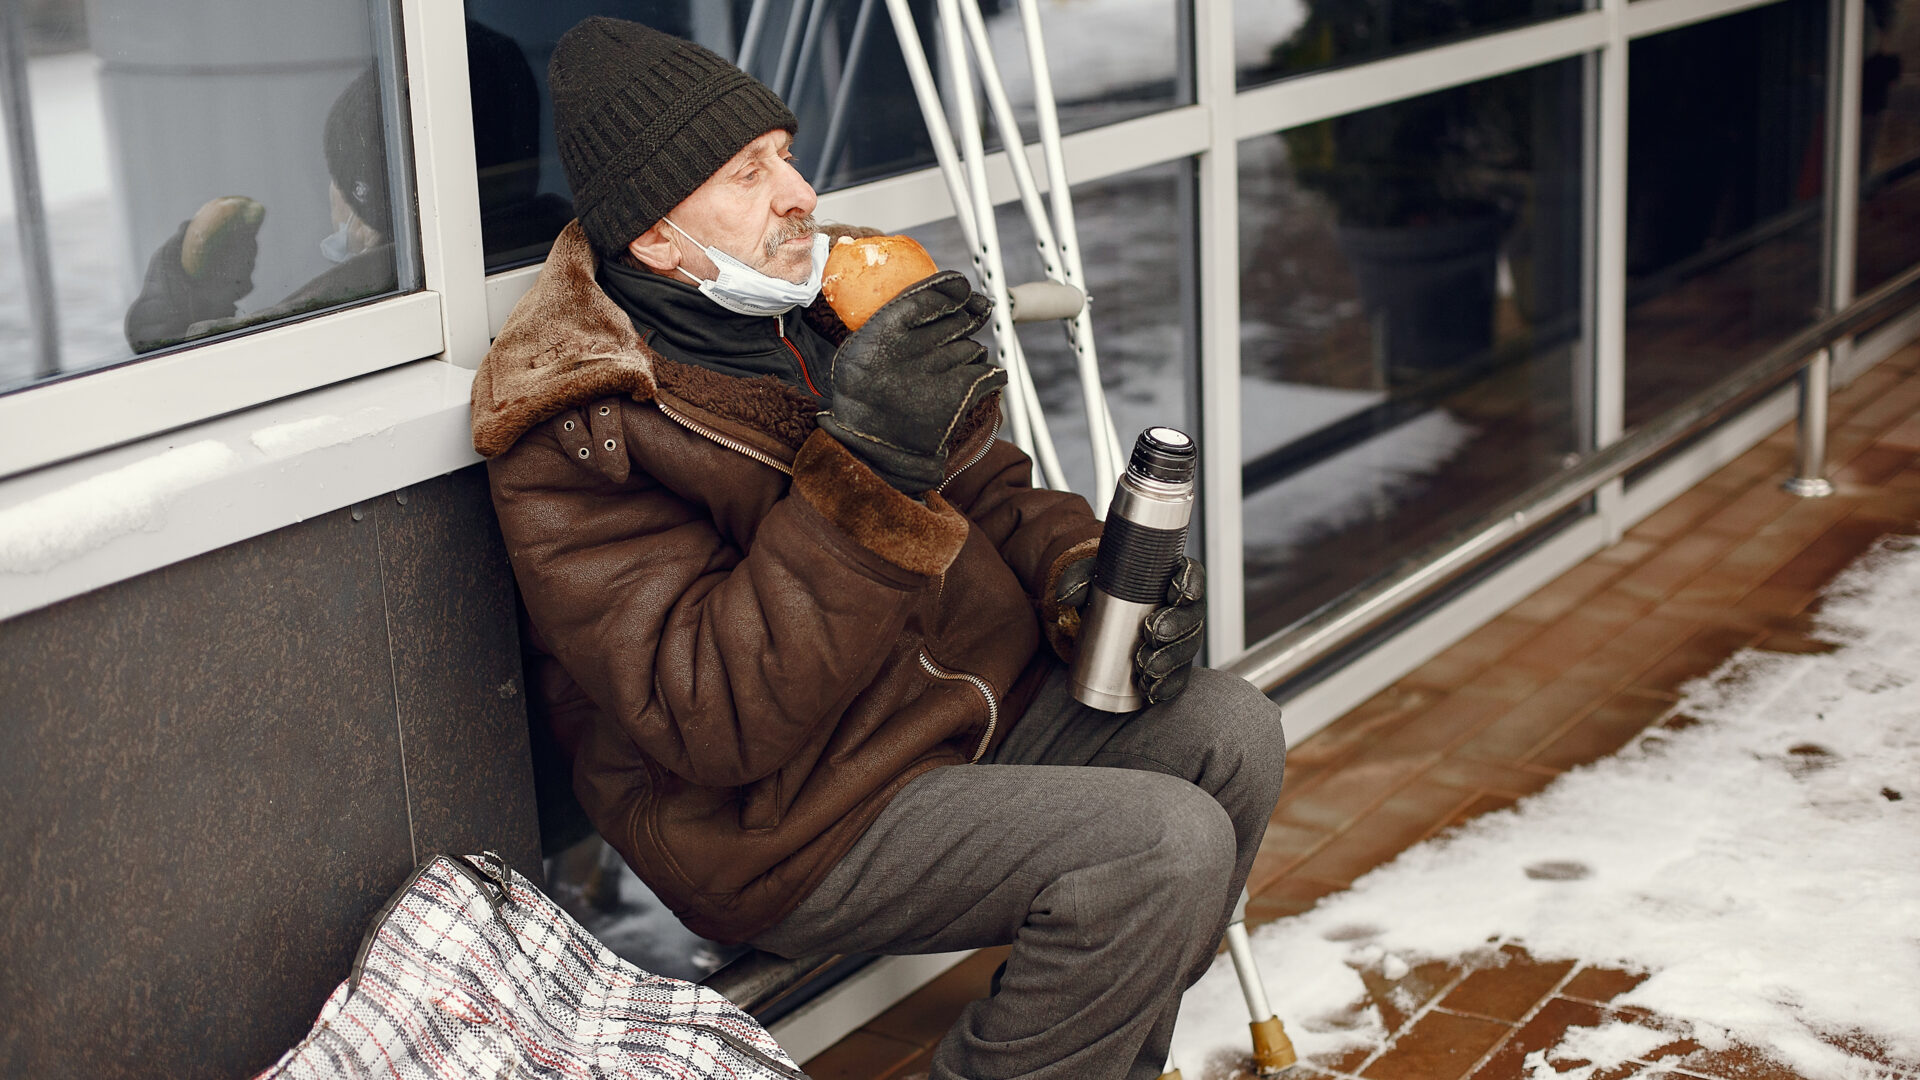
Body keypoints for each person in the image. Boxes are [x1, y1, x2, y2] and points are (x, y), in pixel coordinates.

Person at [471, 17, 1287, 1080]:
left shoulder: (822, 311)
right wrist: (863, 468)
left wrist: (1080, 575)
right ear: (657, 241)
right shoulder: (583, 425)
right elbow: (707, 715)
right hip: (792, 814)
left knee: (1233, 732)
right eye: (747, 171)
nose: (799, 192)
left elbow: (991, 486)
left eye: (786, 154)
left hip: (960, 710)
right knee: (1157, 848)